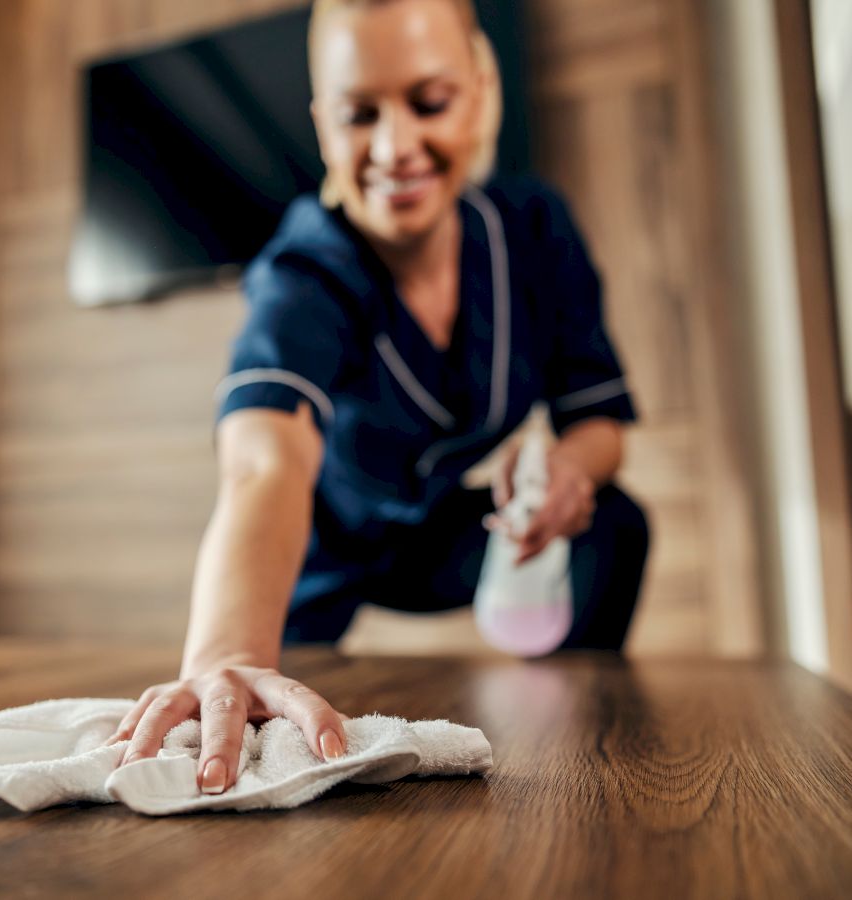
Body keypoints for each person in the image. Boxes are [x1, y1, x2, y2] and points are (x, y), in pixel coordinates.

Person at [106, 0, 649, 795]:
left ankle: (578, 746)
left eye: (429, 102)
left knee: (617, 524)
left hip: (438, 534)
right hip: (319, 546)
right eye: (361, 115)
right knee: (251, 710)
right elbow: (264, 465)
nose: (396, 148)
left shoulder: (535, 234)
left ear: (482, 89)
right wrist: (224, 658)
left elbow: (599, 419)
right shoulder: (306, 273)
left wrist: (568, 469)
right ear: (325, 126)